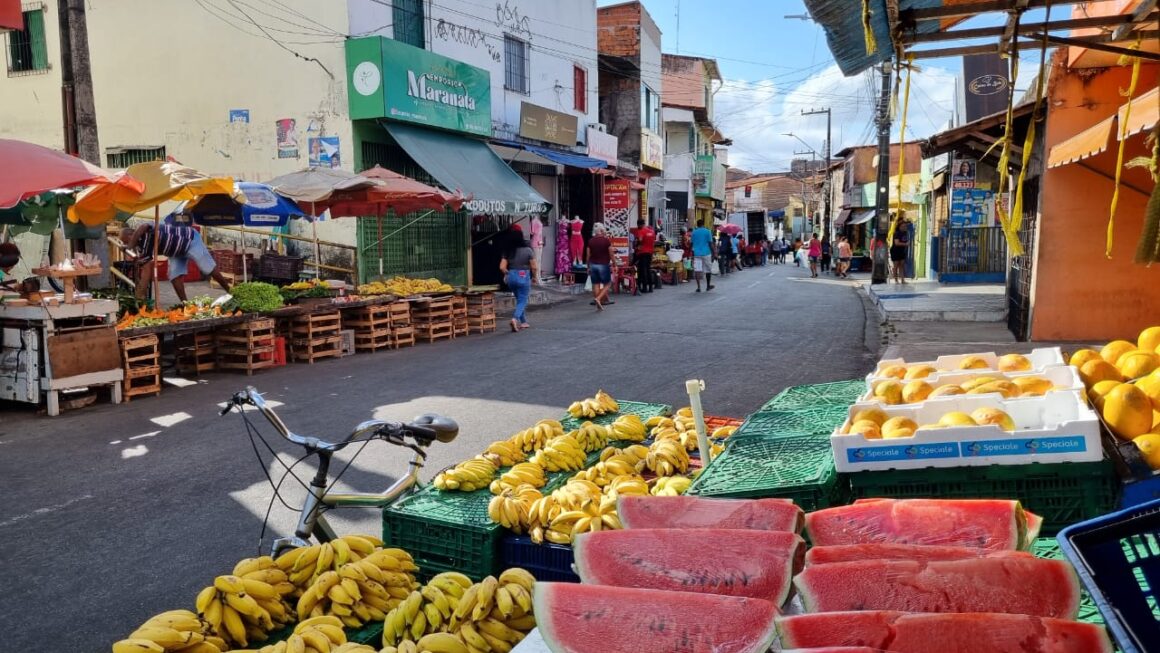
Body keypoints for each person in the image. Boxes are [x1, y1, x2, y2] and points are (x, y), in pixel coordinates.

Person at [122, 223, 231, 302]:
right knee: (174, 276)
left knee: (207, 268)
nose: (126, 243)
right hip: (175, 252)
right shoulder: (142, 246)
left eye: (125, 240)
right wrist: (140, 293)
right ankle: (185, 304)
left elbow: (143, 226)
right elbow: (146, 267)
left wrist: (129, 246)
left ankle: (230, 291)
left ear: (131, 235)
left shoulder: (145, 230)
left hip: (190, 240)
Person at [499, 224, 538, 331]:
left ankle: (524, 322)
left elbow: (502, 267)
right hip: (523, 275)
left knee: (519, 299)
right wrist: (534, 277)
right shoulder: (528, 250)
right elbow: (534, 267)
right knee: (522, 300)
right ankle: (515, 319)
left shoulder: (508, 250)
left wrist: (508, 273)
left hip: (511, 276)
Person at [585, 223, 613, 310]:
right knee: (607, 284)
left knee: (596, 284)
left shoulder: (590, 241)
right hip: (603, 264)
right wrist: (615, 264)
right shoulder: (606, 241)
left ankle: (598, 303)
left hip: (593, 264)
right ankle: (598, 298)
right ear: (602, 230)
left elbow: (588, 255)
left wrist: (588, 266)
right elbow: (611, 254)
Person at [630, 218, 656, 294]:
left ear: (639, 224)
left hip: (642, 253)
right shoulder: (651, 231)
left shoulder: (641, 231)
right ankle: (650, 287)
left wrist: (636, 245)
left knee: (642, 270)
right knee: (648, 269)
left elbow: (639, 241)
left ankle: (644, 287)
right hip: (650, 253)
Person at [690, 219, 715, 292]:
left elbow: (691, 244)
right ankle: (708, 286)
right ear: (703, 224)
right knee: (708, 270)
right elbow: (710, 243)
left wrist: (690, 253)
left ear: (697, 225)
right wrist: (714, 253)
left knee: (697, 270)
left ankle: (698, 287)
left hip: (697, 253)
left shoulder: (694, 232)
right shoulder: (708, 231)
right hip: (706, 253)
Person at [890, 217, 910, 284]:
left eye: (905, 226)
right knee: (896, 265)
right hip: (895, 251)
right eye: (903, 226)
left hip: (902, 251)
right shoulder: (896, 233)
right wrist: (905, 244)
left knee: (902, 265)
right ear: (899, 227)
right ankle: (896, 280)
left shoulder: (905, 233)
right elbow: (896, 243)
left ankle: (902, 280)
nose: (904, 227)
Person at [529, 215, 545, 282]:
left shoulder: (538, 220)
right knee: (536, 260)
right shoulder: (532, 221)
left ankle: (539, 276)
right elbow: (531, 232)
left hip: (540, 241)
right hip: (535, 241)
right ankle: (536, 277)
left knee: (539, 260)